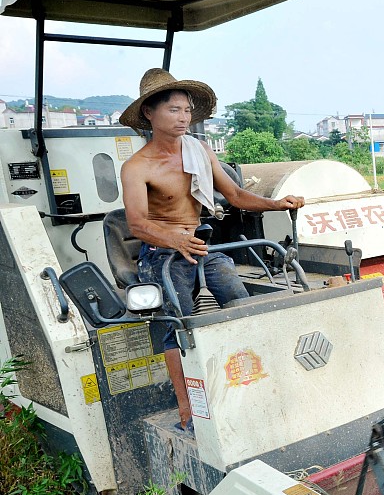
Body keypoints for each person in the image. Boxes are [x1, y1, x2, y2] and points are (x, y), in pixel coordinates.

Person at [120, 68, 304, 434]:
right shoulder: (136, 167)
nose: (184, 117)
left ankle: (254, 388)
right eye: (174, 109)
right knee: (179, 327)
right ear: (148, 114)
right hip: (162, 255)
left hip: (201, 247)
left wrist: (277, 203)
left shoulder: (200, 149)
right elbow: (138, 224)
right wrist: (174, 240)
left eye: (187, 110)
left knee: (241, 306)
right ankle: (190, 410)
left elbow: (234, 196)